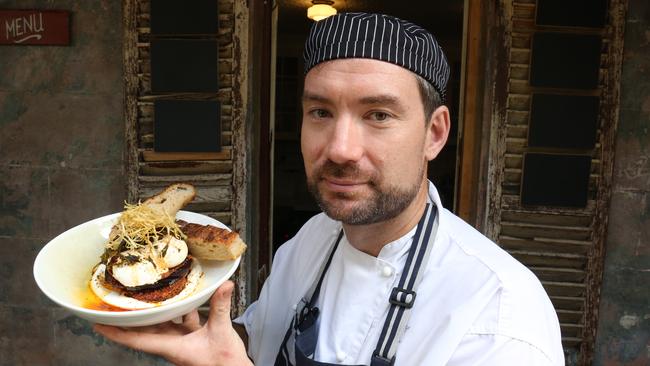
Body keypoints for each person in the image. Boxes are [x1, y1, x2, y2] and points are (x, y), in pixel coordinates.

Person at [95, 12, 564, 365]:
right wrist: (206, 337)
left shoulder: (499, 317)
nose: (340, 149)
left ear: (434, 134)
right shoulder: (311, 239)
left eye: (378, 115)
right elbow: (257, 342)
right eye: (320, 112)